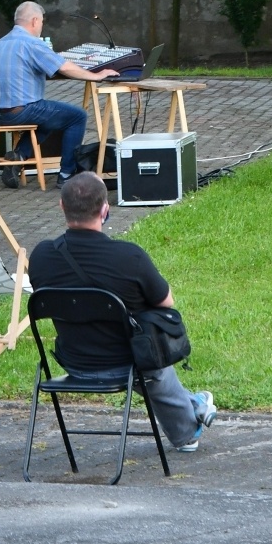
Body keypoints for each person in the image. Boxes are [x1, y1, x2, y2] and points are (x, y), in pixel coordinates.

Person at [27, 172, 216, 453]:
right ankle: (189, 424)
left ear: (62, 207)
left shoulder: (41, 256)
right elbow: (167, 302)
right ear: (105, 210)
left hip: (73, 362)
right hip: (131, 363)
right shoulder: (129, 257)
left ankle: (195, 405)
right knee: (151, 340)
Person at [0, 1, 121, 188]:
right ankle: (67, 174)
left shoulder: (0, 43)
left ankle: (18, 157)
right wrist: (96, 76)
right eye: (42, 22)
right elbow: (65, 67)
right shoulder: (31, 43)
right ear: (34, 21)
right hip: (21, 111)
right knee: (76, 116)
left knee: (52, 116)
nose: (41, 26)